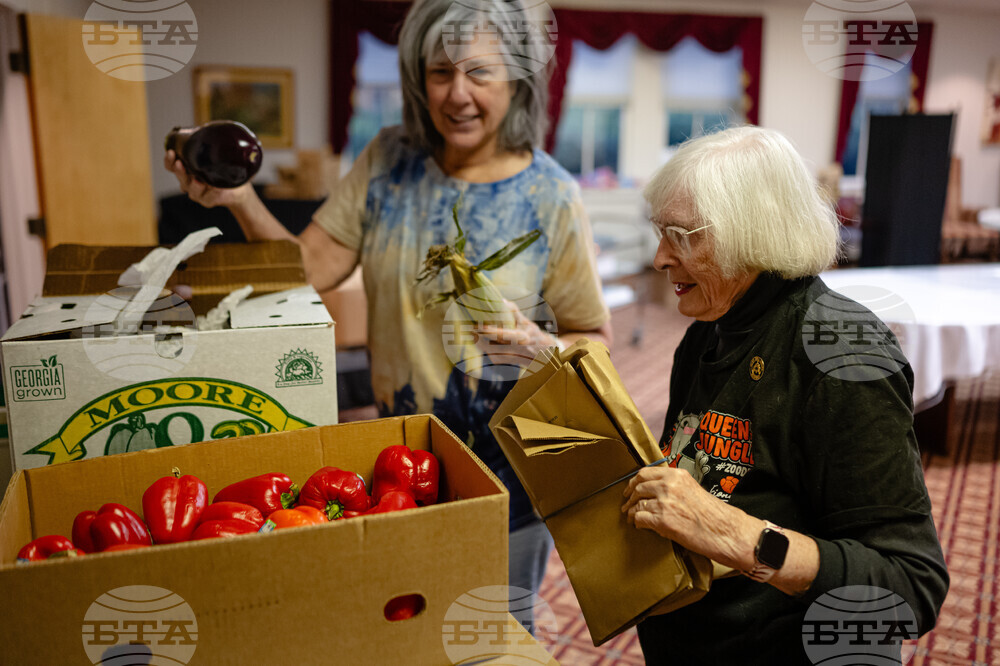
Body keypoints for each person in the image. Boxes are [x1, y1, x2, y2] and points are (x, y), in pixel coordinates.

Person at [165, 0, 611, 611]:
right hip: (406, 469)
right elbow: (311, 268)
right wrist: (239, 198)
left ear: (518, 81)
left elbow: (593, 336)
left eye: (478, 73)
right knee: (408, 617)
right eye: (439, 72)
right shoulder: (388, 160)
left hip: (512, 475)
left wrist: (546, 347)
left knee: (500, 629)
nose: (456, 95)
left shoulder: (551, 195)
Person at [621, 126, 948, 663]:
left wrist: (739, 535)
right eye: (660, 232)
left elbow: (910, 588)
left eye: (682, 235)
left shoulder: (844, 355)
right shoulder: (711, 323)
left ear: (750, 233)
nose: (659, 257)